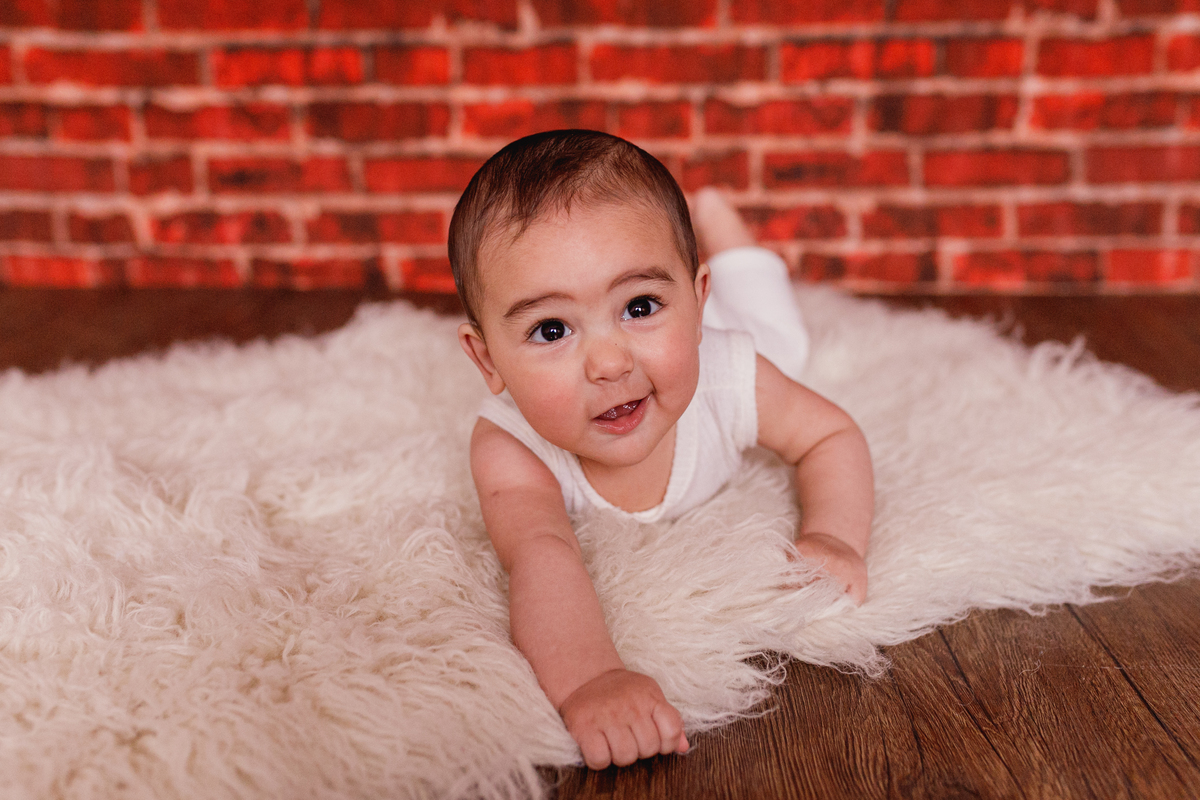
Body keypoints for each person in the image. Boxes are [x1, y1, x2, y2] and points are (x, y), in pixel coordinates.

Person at [447, 130, 874, 770]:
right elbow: (541, 555)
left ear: (696, 306)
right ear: (488, 360)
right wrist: (589, 679)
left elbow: (830, 436)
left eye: (640, 305)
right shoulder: (511, 445)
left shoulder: (730, 373)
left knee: (782, 339)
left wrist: (835, 536)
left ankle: (734, 251)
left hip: (736, 337)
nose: (610, 362)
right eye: (551, 329)